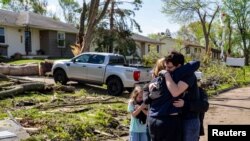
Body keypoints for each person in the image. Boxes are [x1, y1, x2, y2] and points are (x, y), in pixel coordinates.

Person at [147, 52, 200, 141]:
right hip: (175, 118)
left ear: (179, 65)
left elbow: (175, 92)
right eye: (165, 67)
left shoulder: (187, 75)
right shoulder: (170, 75)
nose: (167, 70)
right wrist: (152, 85)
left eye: (170, 67)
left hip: (189, 119)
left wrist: (166, 75)